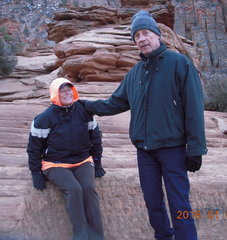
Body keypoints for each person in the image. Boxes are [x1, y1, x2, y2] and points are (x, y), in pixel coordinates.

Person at [83, 10, 207, 240]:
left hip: (173, 150)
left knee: (179, 203)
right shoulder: (135, 73)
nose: (141, 39)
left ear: (157, 35)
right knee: (152, 201)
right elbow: (114, 103)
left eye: (146, 33)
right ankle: (163, 237)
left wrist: (196, 148)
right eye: (137, 35)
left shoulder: (179, 63)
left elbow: (194, 107)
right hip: (145, 152)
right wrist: (86, 106)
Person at [26, 77, 106, 240]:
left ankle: (97, 236)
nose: (67, 92)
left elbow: (95, 138)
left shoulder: (84, 112)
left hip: (83, 161)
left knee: (88, 189)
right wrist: (35, 172)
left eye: (69, 89)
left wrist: (97, 162)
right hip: (55, 164)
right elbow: (34, 148)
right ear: (55, 94)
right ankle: (81, 236)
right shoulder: (44, 118)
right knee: (74, 189)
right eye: (62, 90)